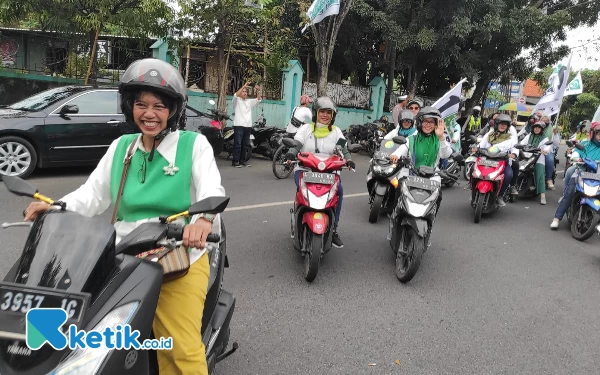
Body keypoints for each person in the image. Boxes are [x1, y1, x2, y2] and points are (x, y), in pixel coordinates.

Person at [22, 58, 225, 375]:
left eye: (159, 106)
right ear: (130, 106)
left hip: (179, 257)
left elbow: (211, 188)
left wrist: (202, 221)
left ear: (173, 110)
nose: (149, 114)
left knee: (180, 348)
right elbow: (92, 194)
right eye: (141, 104)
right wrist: (55, 207)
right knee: (88, 337)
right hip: (123, 256)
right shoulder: (122, 148)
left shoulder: (193, 145)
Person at [285, 96, 355, 248]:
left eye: (328, 112)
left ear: (333, 115)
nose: (325, 115)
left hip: (330, 172)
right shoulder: (305, 129)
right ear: (316, 113)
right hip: (306, 169)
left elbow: (344, 149)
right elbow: (297, 144)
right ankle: (298, 217)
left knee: (339, 192)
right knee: (302, 190)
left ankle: (334, 228)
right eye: (322, 112)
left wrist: (348, 160)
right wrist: (291, 154)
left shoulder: (337, 132)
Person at [388, 106, 451, 245]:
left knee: (438, 197)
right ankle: (395, 218)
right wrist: (395, 155)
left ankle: (429, 225)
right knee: (398, 190)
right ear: (420, 122)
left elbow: (446, 154)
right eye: (425, 121)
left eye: (431, 122)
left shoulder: (439, 139)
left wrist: (441, 138)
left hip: (432, 177)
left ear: (436, 124)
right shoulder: (413, 138)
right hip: (410, 173)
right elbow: (402, 149)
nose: (428, 125)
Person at [551, 121, 600, 229]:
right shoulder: (585, 144)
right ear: (593, 133)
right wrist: (575, 156)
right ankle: (557, 218)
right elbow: (576, 151)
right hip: (581, 173)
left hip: (598, 176)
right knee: (569, 192)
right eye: (598, 133)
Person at [473, 113, 518, 207]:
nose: (502, 126)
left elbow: (515, 148)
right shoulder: (489, 135)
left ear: (507, 126)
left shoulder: (511, 138)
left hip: (502, 162)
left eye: (505, 124)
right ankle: (473, 189)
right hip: (485, 160)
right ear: (496, 124)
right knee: (474, 172)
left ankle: (500, 196)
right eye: (501, 123)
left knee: (509, 175)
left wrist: (514, 154)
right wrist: (475, 149)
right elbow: (480, 146)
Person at [519, 120, 554, 205]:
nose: (537, 129)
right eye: (535, 127)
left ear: (542, 129)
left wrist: (543, 150)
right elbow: (522, 143)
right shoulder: (529, 136)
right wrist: (520, 146)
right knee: (518, 168)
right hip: (526, 157)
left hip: (538, 158)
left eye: (539, 128)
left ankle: (543, 196)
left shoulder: (544, 138)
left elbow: (547, 148)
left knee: (540, 173)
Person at [232, 81, 262, 167]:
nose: (245, 93)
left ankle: (242, 161)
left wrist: (258, 91)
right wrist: (244, 85)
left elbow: (258, 99)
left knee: (245, 144)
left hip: (248, 126)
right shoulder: (236, 101)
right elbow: (235, 95)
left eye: (246, 91)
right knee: (237, 144)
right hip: (239, 125)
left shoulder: (249, 102)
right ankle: (235, 161)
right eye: (243, 91)